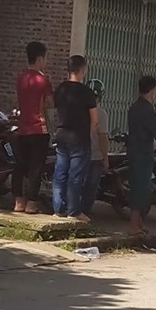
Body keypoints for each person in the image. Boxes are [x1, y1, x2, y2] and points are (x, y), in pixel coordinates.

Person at [52, 55, 98, 222]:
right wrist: (88, 133)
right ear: (83, 70)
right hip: (79, 138)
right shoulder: (87, 92)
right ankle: (73, 211)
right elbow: (95, 119)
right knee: (75, 176)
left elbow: (54, 107)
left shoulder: (61, 89)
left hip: (61, 135)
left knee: (60, 173)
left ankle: (58, 209)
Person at [13, 41, 54, 214]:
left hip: (23, 128)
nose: (46, 62)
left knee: (20, 166)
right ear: (39, 59)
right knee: (36, 168)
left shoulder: (21, 78)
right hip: (39, 129)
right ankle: (31, 203)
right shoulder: (43, 80)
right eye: (45, 58)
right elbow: (50, 103)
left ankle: (18, 202)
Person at [127, 75, 156, 236]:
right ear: (151, 90)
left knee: (141, 187)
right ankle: (133, 224)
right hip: (142, 153)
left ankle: (139, 221)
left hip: (135, 151)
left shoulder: (135, 107)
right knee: (140, 188)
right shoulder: (147, 109)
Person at [81, 79, 110, 216]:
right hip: (94, 156)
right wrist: (106, 158)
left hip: (79, 154)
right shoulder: (101, 113)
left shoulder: (79, 110)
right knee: (90, 188)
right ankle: (84, 212)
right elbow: (103, 138)